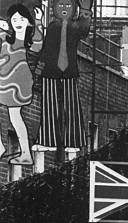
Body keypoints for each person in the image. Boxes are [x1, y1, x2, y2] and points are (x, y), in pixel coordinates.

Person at [35, 0, 92, 152]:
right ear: (55, 8)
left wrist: (86, 8)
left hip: (68, 72)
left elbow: (84, 30)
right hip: (51, 71)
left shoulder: (74, 27)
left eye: (68, 6)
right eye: (61, 6)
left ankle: (73, 141)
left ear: (74, 9)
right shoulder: (54, 27)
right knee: (49, 105)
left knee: (72, 105)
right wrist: (39, 71)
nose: (65, 9)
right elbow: (46, 50)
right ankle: (48, 140)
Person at [0, 3, 44, 164]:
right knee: (14, 116)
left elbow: (39, 44)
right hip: (3, 80)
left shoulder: (29, 42)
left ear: (28, 22)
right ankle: (4, 147)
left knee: (15, 116)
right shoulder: (5, 37)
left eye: (21, 18)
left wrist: (39, 21)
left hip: (18, 83)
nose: (18, 21)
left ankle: (25, 153)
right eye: (14, 18)